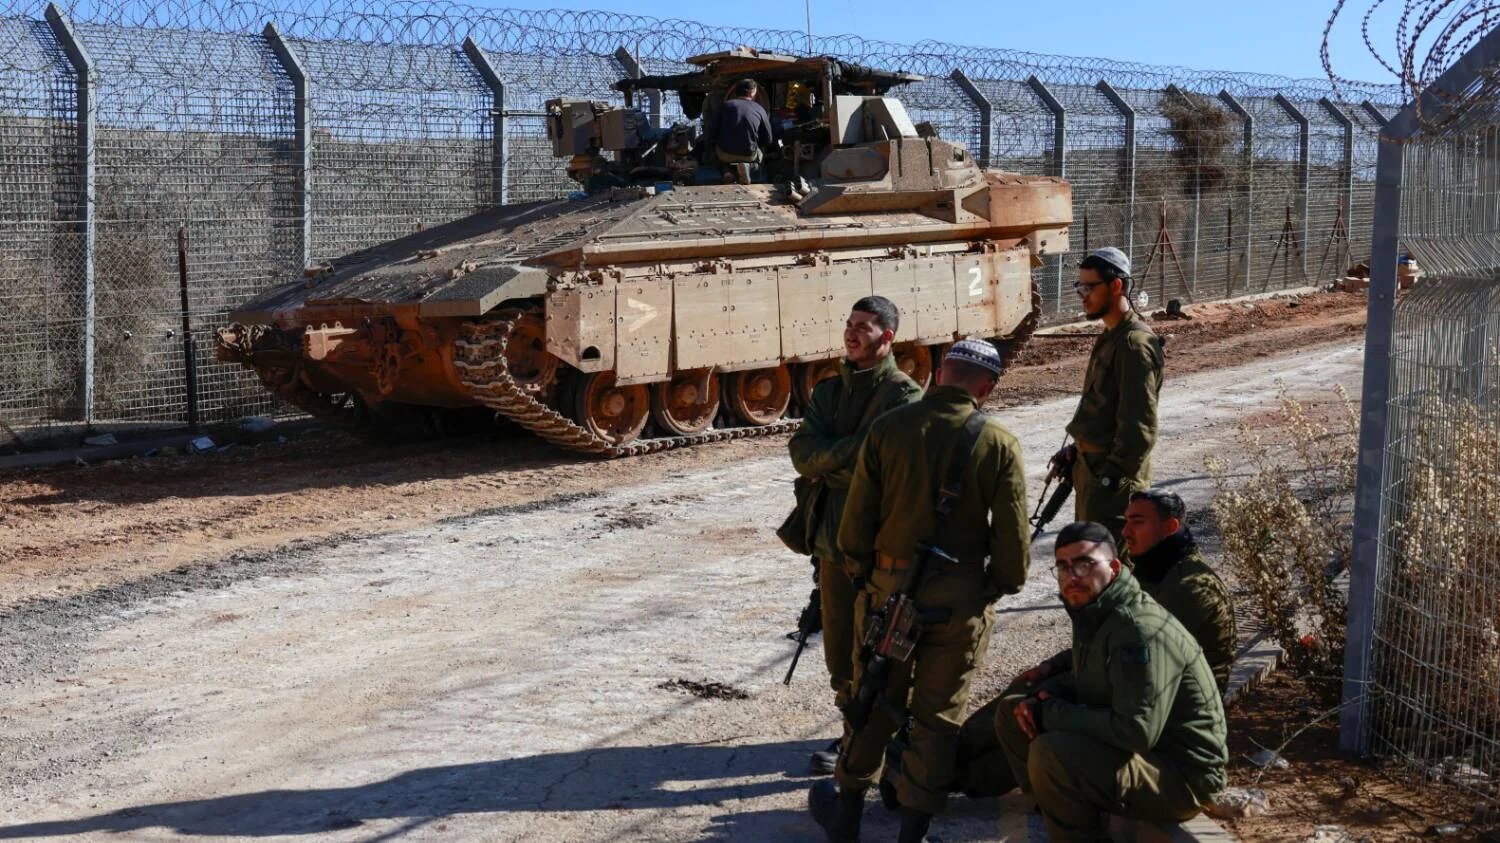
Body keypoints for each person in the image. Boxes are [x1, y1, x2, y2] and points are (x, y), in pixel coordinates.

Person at [809, 339, 1029, 843]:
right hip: (960, 602)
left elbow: (855, 525)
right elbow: (1012, 541)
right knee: (938, 716)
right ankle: (913, 830)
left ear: (938, 375)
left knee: (873, 696)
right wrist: (992, 586)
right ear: (988, 388)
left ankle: (846, 810)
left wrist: (868, 577)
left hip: (889, 592)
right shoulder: (998, 441)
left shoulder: (889, 430)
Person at [995, 522, 1227, 843]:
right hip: (1147, 758)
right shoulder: (1096, 610)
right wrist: (1046, 696)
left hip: (1182, 777)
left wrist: (1051, 712)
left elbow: (1135, 730)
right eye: (1062, 567)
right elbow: (1093, 679)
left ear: (1115, 567)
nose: (1072, 576)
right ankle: (1059, 808)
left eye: (1084, 564)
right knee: (1015, 708)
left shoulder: (1137, 630)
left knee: (1052, 753)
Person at [788, 296, 923, 775]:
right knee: (839, 643)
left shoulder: (904, 396)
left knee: (877, 644)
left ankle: (872, 740)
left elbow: (886, 465)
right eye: (849, 324)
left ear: (887, 338)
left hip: (879, 543)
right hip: (831, 537)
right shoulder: (830, 392)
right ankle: (854, 729)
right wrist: (850, 457)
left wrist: (836, 460)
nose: (852, 333)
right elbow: (803, 454)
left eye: (864, 327)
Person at [1051, 247, 1165, 547]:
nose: (1082, 295)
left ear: (1116, 286)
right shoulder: (1111, 336)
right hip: (1092, 473)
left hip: (1113, 486)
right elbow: (1104, 409)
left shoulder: (1133, 344)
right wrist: (1077, 451)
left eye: (1089, 287)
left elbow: (1139, 427)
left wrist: (1109, 479)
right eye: (1079, 286)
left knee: (1110, 571)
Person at [1121, 490, 1237, 692]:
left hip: (1184, 707)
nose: (1126, 532)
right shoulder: (1154, 569)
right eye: (1127, 521)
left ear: (1171, 527)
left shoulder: (1188, 584)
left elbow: (1138, 652)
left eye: (1137, 522)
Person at [712, 78, 775, 166]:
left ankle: (726, 172)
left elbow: (712, 132)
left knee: (717, 152)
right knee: (761, 154)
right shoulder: (760, 109)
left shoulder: (723, 106)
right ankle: (749, 168)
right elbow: (768, 139)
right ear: (751, 93)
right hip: (749, 155)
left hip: (725, 154)